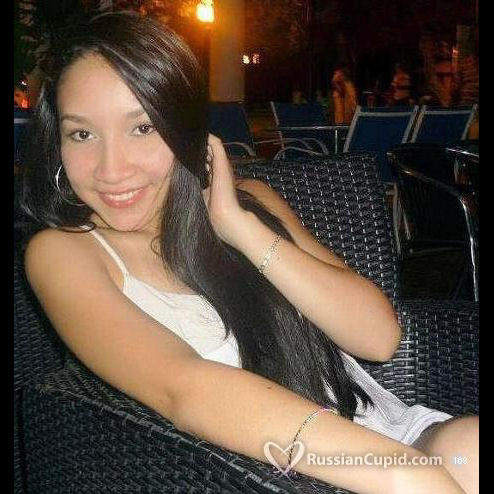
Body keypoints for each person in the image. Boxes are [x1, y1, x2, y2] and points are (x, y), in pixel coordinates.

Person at [21, 11, 478, 494]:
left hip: (397, 438)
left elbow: (378, 338)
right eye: (82, 134)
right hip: (283, 477)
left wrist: (239, 227)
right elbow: (185, 388)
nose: (111, 170)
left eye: (143, 128)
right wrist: (402, 471)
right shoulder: (65, 255)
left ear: (186, 130)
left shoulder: (251, 203)